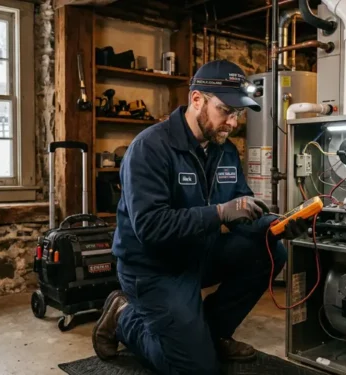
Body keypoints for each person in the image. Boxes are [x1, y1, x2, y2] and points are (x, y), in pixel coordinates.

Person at [91, 60, 308, 375]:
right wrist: (219, 213)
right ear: (196, 100)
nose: (232, 123)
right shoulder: (150, 148)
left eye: (237, 114)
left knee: (271, 250)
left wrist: (275, 224)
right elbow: (150, 227)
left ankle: (213, 332)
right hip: (154, 268)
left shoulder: (224, 149)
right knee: (197, 370)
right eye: (225, 111)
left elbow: (239, 203)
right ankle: (124, 317)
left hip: (200, 254)